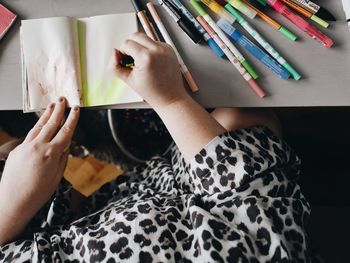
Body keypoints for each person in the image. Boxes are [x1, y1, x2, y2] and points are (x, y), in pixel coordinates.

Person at [0, 33, 311, 262]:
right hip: (173, 188)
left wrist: (9, 211)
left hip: (85, 207)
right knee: (242, 117)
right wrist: (171, 100)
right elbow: (256, 210)